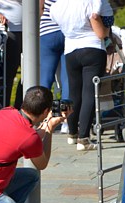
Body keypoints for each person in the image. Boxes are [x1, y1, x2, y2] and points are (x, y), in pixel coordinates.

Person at [50, 0, 111, 152]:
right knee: (89, 93)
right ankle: (83, 138)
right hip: (93, 47)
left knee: (73, 93)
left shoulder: (56, 6)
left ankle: (72, 133)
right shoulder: (93, 2)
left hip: (70, 49)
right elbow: (102, 32)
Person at [39, 0, 70, 134]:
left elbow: (40, 8)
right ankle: (66, 121)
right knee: (66, 79)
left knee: (45, 79)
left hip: (47, 31)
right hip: (66, 30)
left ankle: (42, 117)